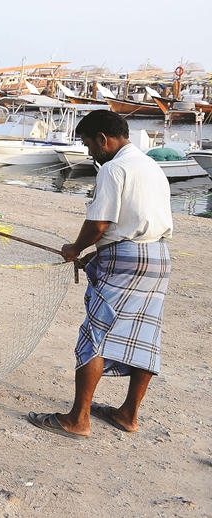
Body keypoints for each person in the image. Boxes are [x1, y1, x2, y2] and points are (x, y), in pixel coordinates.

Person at [30, 110, 172, 439]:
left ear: (103, 140)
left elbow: (100, 224)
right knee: (145, 335)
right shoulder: (152, 166)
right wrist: (98, 252)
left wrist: (76, 248)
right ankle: (128, 415)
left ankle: (78, 420)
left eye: (89, 145)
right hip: (159, 257)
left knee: (95, 335)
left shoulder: (113, 168)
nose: (90, 152)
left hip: (126, 260)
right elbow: (135, 226)